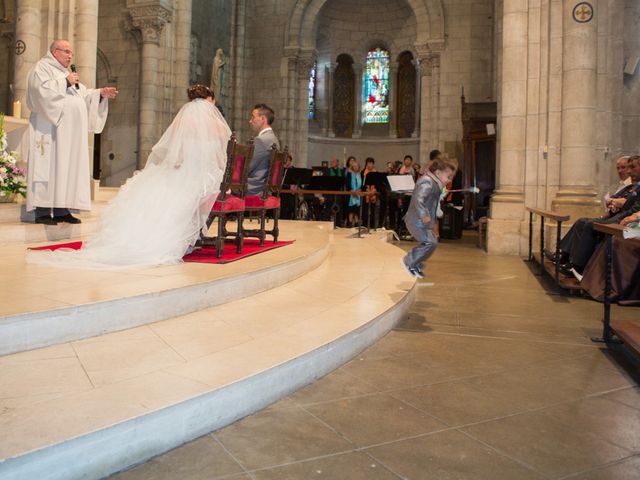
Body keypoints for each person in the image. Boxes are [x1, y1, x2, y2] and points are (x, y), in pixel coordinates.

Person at [28, 85, 231, 268]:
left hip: (186, 173)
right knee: (180, 194)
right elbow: (222, 159)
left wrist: (177, 166)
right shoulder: (220, 128)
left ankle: (139, 238)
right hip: (206, 178)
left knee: (157, 191)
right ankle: (185, 236)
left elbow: (175, 157)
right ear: (210, 101)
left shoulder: (183, 123)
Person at [26, 39, 118, 225]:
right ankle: (42, 211)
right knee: (49, 168)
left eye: (71, 53)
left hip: (68, 134)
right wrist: (64, 83)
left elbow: (82, 95)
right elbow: (39, 92)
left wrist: (99, 94)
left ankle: (62, 209)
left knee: (67, 168)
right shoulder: (41, 68)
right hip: (50, 131)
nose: (70, 56)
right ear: (54, 51)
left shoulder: (66, 74)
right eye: (66, 51)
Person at [401, 157, 457, 279]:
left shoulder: (435, 184)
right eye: (448, 177)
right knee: (429, 242)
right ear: (438, 173)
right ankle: (408, 260)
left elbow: (432, 201)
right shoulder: (427, 181)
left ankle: (416, 264)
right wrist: (424, 214)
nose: (449, 180)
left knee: (433, 243)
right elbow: (418, 199)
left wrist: (440, 196)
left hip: (423, 223)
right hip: (416, 221)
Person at [247, 104, 280, 195]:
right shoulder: (274, 139)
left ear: (262, 119)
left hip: (253, 189)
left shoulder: (261, 140)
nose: (250, 121)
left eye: (253, 117)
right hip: (265, 189)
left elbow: (247, 167)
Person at [345, 160, 363, 227]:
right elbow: (347, 185)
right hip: (351, 195)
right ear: (352, 167)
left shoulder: (360, 174)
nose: (355, 167)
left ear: (359, 167)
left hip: (358, 194)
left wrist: (360, 189)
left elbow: (362, 185)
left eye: (357, 166)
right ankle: (349, 223)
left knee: (356, 211)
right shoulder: (349, 174)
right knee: (351, 210)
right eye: (354, 166)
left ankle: (356, 224)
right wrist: (351, 190)